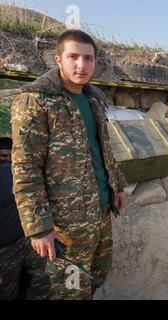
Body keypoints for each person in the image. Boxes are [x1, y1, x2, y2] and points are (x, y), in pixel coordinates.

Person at [11, 30, 127, 299]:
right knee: (70, 290)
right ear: (58, 59)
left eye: (88, 58)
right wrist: (39, 228)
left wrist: (117, 186)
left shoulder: (94, 99)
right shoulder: (36, 101)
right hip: (66, 225)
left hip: (99, 213)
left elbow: (104, 150)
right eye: (73, 57)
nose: (81, 65)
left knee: (98, 273)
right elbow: (25, 169)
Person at [0, 137, 50, 300]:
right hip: (4, 251)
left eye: (9, 156)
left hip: (28, 240)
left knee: (44, 279)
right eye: (2, 157)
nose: (6, 161)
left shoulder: (19, 173)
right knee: (8, 291)